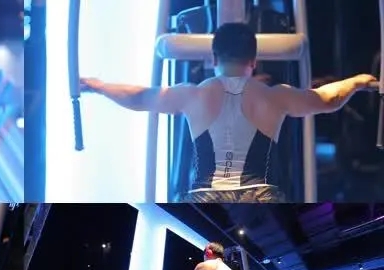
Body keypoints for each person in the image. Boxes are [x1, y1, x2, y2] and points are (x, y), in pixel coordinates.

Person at [80, 22, 378, 203]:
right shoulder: (275, 97)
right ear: (254, 60)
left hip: (205, 197)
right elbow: (326, 99)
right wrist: (357, 81)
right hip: (260, 197)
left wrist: (99, 86)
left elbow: (139, 97)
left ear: (213, 58)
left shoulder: (192, 94)